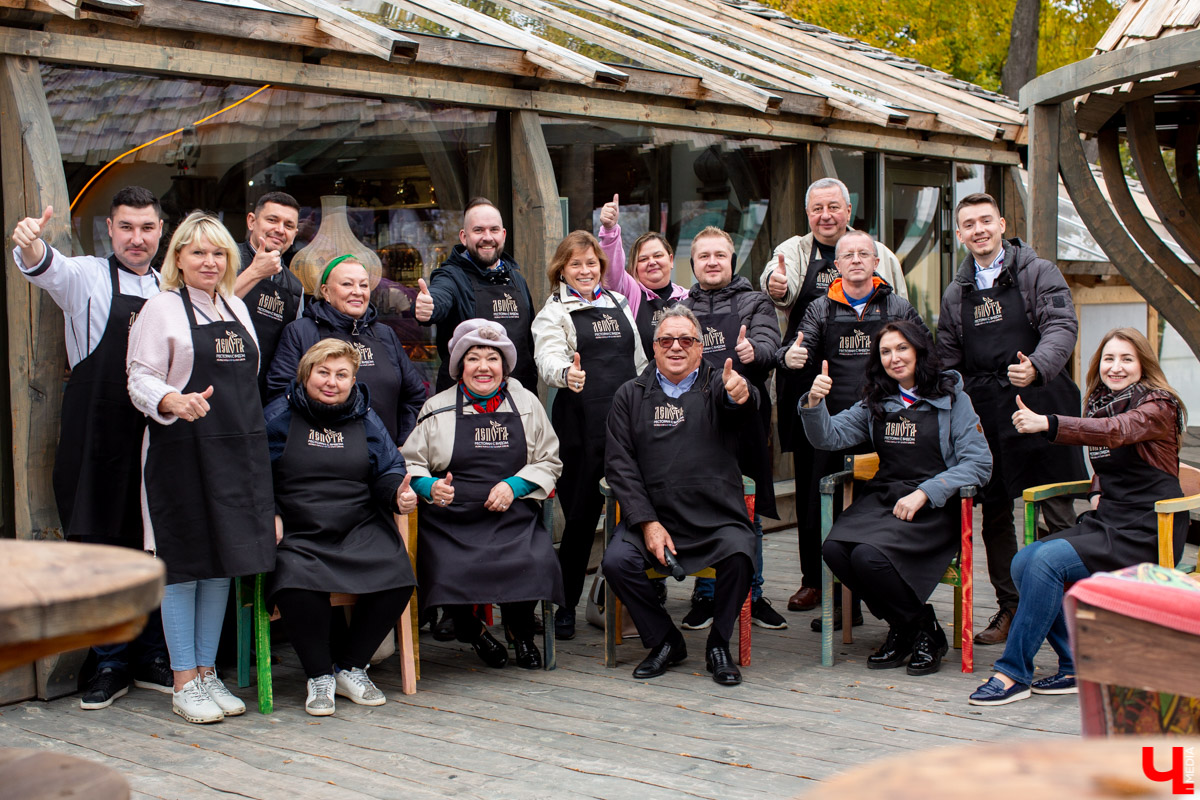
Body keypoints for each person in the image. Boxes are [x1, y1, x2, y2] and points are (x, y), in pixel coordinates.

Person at [9, 187, 169, 710]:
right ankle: (110, 661)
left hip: (156, 430)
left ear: (160, 231)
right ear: (109, 228)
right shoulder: (85, 277)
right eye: (127, 227)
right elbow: (42, 266)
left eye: (146, 228)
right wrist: (30, 243)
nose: (137, 238)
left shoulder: (173, 287)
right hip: (98, 430)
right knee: (102, 542)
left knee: (152, 540)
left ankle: (150, 655)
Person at [969, 328, 1188, 705]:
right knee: (1024, 561)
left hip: (1149, 526)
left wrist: (1048, 424)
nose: (1115, 367)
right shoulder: (1103, 400)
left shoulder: (1158, 406)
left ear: (1143, 365)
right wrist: (1098, 488)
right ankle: (1076, 664)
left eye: (1126, 359)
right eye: (1109, 358)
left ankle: (1012, 673)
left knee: (1047, 563)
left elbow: (1116, 433)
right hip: (1110, 519)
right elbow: (1109, 453)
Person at [127, 211, 276, 724]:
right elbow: (138, 379)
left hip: (236, 454)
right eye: (198, 252)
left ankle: (208, 673)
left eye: (218, 253)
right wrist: (172, 399)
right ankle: (183, 680)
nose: (209, 261)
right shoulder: (160, 309)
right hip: (181, 453)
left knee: (221, 565)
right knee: (183, 566)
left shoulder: (235, 304)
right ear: (179, 260)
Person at [937, 193, 1087, 647]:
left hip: (1042, 398)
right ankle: (1012, 607)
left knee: (1056, 509)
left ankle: (1073, 609)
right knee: (995, 512)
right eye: (969, 224)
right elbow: (947, 355)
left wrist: (1038, 366)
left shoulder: (1038, 272)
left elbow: (1062, 325)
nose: (979, 229)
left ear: (1001, 224)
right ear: (960, 234)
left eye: (986, 220)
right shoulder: (955, 291)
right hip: (984, 409)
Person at [801, 321, 991, 675]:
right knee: (835, 550)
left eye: (902, 348)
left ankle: (915, 630)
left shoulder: (953, 398)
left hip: (933, 506)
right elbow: (828, 437)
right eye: (886, 352)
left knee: (871, 558)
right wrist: (814, 403)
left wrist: (925, 492)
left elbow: (979, 463)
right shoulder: (876, 399)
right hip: (885, 496)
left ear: (919, 350)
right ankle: (916, 626)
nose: (894, 358)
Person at [760, 178, 907, 614]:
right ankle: (813, 580)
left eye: (834, 207)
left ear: (849, 210)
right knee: (811, 488)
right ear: (809, 215)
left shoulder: (881, 256)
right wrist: (775, 286)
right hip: (813, 392)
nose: (826, 215)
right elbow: (776, 282)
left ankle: (861, 581)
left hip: (876, 399)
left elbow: (906, 327)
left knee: (868, 485)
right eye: (817, 208)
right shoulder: (794, 251)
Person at [776, 229, 928, 629]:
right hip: (836, 425)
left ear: (876, 263)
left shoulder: (896, 305)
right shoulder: (821, 309)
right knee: (827, 511)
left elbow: (926, 355)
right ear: (836, 266)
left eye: (865, 254)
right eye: (848, 255)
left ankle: (890, 596)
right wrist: (790, 357)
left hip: (888, 425)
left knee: (874, 510)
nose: (857, 260)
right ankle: (842, 603)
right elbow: (794, 349)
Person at [602, 305, 757, 686]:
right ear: (653, 347)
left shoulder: (719, 384)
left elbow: (740, 406)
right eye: (666, 340)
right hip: (654, 516)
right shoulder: (630, 395)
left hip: (715, 514)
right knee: (616, 562)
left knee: (741, 552)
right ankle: (666, 640)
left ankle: (718, 643)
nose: (676, 347)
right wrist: (648, 523)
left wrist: (743, 393)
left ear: (700, 347)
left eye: (686, 340)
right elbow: (619, 465)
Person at [264, 339, 419, 716]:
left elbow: (389, 469)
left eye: (342, 375)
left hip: (357, 523)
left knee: (399, 574)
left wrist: (396, 496)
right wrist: (269, 511)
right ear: (306, 375)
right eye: (323, 372)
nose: (332, 382)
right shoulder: (277, 417)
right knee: (296, 579)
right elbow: (251, 472)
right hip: (299, 527)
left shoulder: (366, 416)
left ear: (353, 380)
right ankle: (318, 675)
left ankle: (349, 667)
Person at [402, 320, 563, 669]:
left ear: (504, 366)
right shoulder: (437, 408)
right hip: (451, 519)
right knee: (448, 566)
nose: (484, 367)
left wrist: (515, 485)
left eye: (493, 358)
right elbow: (409, 465)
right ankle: (472, 631)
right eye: (474, 358)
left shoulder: (527, 404)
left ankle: (521, 633)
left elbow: (550, 460)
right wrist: (430, 487)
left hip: (511, 515)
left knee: (532, 560)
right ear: (461, 365)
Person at [532, 230, 648, 640]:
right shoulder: (553, 312)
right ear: (562, 269)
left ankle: (629, 597)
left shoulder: (617, 302)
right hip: (579, 426)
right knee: (580, 519)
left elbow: (637, 361)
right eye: (575, 263)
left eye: (591, 262)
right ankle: (565, 606)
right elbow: (547, 358)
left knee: (632, 510)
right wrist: (567, 373)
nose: (585, 270)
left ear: (601, 266)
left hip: (625, 423)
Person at [679, 225, 785, 632]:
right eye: (703, 256)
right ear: (693, 264)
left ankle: (752, 594)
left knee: (748, 508)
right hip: (693, 424)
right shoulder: (680, 304)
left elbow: (769, 347)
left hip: (744, 419)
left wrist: (751, 351)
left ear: (731, 261)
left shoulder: (755, 301)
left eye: (719, 255)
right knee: (702, 506)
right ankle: (706, 596)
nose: (711, 262)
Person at [268, 255, 426, 446]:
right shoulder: (301, 332)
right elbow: (280, 395)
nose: (357, 292)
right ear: (325, 291)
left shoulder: (385, 335)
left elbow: (414, 395)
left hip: (384, 460)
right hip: (322, 455)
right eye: (347, 284)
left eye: (364, 285)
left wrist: (403, 443)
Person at [414, 198, 538, 393]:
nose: (487, 237)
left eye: (494, 230)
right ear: (464, 237)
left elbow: (530, 344)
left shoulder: (517, 279)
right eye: (478, 230)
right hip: (466, 404)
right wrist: (431, 306)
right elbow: (441, 295)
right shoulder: (451, 276)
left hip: (518, 400)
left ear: (503, 234)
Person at [596, 193, 690, 356]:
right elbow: (611, 273)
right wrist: (610, 231)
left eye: (658, 256)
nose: (652, 262)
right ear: (634, 267)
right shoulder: (630, 294)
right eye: (643, 259)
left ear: (671, 260)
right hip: (641, 380)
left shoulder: (689, 298)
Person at [232, 191, 305, 398]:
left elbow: (292, 348)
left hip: (266, 394)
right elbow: (205, 309)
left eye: (289, 225)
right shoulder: (225, 260)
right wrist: (255, 273)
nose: (280, 230)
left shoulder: (295, 287)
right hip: (220, 385)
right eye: (272, 220)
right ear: (251, 221)